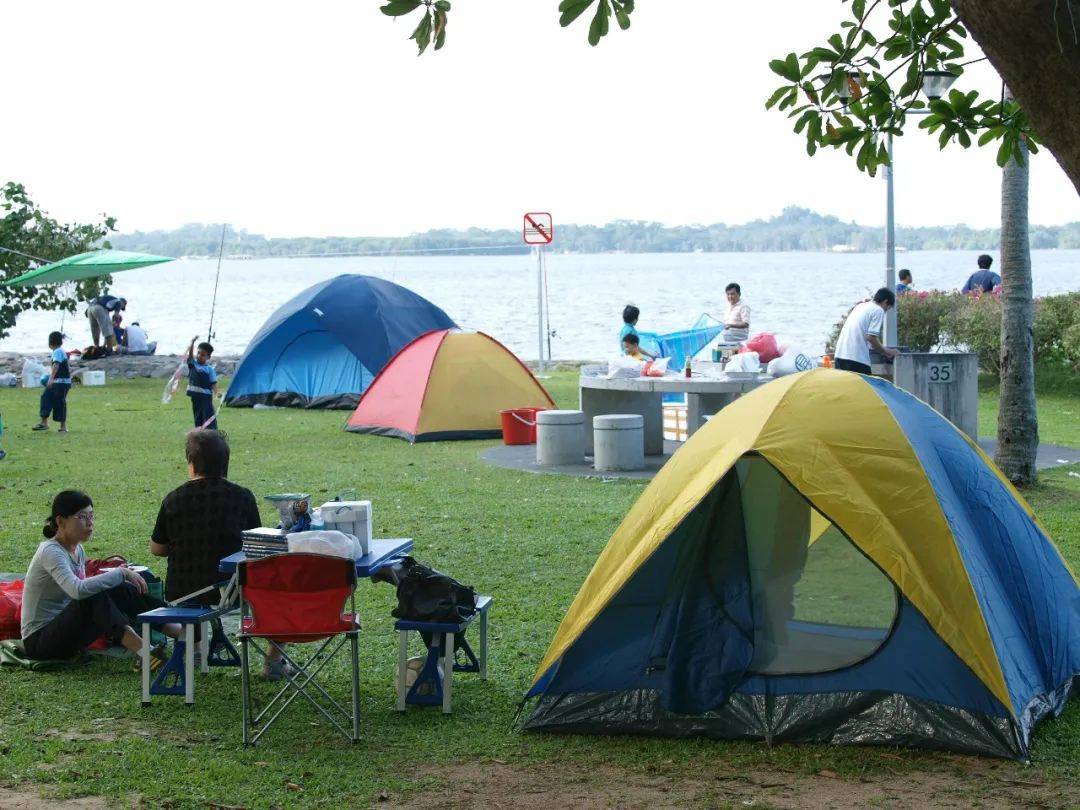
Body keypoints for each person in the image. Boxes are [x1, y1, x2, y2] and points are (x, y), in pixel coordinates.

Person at [149, 430, 292, 679]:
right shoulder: (241, 496)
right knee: (281, 588)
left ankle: (193, 651)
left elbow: (157, 548)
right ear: (226, 465)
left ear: (191, 465)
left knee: (192, 601)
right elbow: (254, 544)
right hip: (234, 589)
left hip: (184, 590)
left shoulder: (173, 499)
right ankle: (274, 661)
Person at [21, 490, 184, 662]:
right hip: (40, 643)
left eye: (91, 516)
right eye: (82, 517)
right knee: (93, 596)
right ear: (60, 521)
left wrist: (118, 578)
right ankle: (147, 653)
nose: (90, 523)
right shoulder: (50, 551)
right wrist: (120, 573)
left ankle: (181, 631)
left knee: (116, 589)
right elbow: (77, 590)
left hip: (68, 633)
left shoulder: (77, 549)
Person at [833, 288, 900, 375]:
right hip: (856, 359)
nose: (885, 311)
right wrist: (887, 351)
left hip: (840, 356)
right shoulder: (878, 310)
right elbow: (871, 337)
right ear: (885, 302)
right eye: (887, 308)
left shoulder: (861, 306)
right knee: (865, 388)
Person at [33, 331, 71, 433]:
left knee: (56, 401)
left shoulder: (57, 352)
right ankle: (47, 423)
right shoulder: (60, 351)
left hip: (60, 382)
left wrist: (51, 378)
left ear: (50, 343)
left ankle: (59, 426)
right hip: (61, 382)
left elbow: (56, 365)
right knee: (50, 398)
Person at [186, 336, 219, 430]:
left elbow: (213, 383)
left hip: (206, 397)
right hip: (195, 396)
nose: (199, 355)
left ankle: (212, 432)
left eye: (203, 354)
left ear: (208, 357)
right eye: (198, 353)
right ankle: (199, 432)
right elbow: (190, 356)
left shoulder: (209, 369)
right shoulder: (193, 364)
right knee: (197, 414)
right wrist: (192, 342)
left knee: (208, 415)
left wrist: (217, 392)